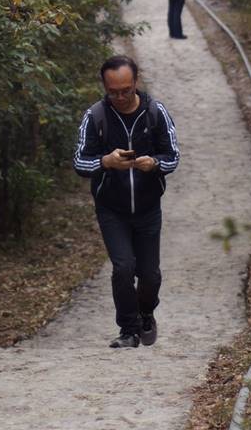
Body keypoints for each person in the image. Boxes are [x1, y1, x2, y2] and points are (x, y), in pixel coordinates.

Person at [73, 55, 180, 348]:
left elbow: (173, 157)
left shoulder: (155, 113)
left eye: (126, 90)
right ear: (104, 87)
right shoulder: (95, 116)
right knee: (123, 267)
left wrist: (154, 164)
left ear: (136, 82)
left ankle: (146, 313)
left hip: (148, 208)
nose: (120, 97)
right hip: (112, 209)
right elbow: (80, 162)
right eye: (113, 92)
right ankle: (128, 330)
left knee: (150, 275)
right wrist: (105, 162)